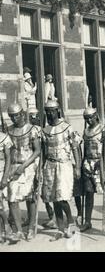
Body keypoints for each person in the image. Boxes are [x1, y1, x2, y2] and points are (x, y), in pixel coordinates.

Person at [42, 100, 81, 242]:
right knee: (53, 198)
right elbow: (43, 151)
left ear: (57, 110)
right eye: (47, 111)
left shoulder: (67, 128)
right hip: (50, 165)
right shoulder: (45, 130)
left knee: (62, 197)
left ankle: (70, 223)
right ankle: (60, 228)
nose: (50, 113)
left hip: (64, 165)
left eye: (52, 111)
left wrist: (77, 167)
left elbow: (75, 147)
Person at [6, 103, 41, 243]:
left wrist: (25, 165)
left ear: (22, 114)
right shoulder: (9, 130)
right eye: (12, 117)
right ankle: (19, 231)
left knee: (29, 197)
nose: (14, 119)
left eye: (16, 116)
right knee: (12, 198)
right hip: (13, 166)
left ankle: (31, 227)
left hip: (28, 166)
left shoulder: (32, 129)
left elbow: (37, 150)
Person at [28, 108, 57, 229]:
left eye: (36, 116)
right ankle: (33, 217)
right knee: (35, 192)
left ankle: (54, 217)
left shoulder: (45, 131)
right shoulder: (28, 130)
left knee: (50, 190)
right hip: (32, 164)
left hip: (44, 163)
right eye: (32, 116)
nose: (34, 119)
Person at [79, 108, 104, 232]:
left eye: (90, 117)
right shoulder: (86, 131)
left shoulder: (103, 130)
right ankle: (87, 221)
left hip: (100, 163)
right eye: (86, 118)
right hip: (88, 163)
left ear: (96, 116)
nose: (89, 120)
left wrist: (103, 163)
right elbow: (84, 148)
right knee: (88, 192)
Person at [0, 130, 12, 244]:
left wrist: (5, 177)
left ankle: (6, 227)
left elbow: (8, 159)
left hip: (1, 173)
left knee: (1, 204)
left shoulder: (4, 138)